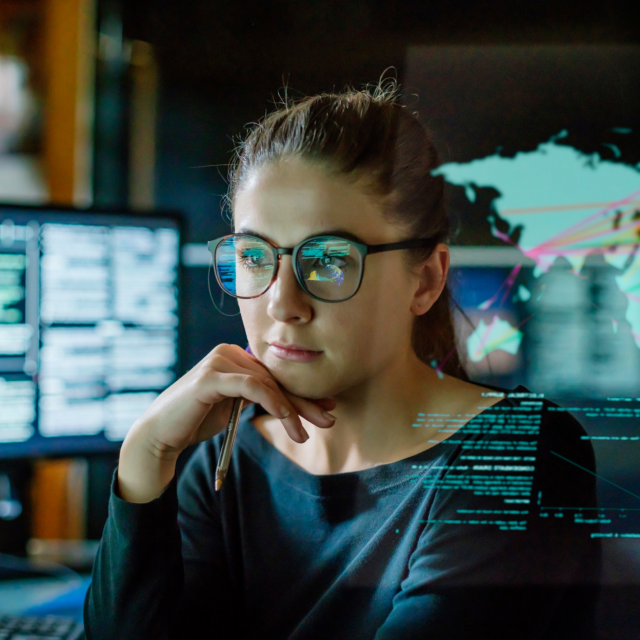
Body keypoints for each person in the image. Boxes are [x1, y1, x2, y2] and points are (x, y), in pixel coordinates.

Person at [83, 79, 601, 640]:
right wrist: (145, 453)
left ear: (424, 280)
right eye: (254, 256)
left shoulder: (519, 456)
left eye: (329, 260)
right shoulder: (223, 463)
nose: (282, 303)